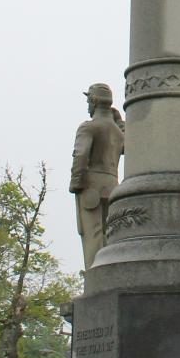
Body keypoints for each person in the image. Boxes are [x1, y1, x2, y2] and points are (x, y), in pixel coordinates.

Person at [69, 83, 124, 269]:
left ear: (94, 101)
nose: (87, 106)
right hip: (113, 188)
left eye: (88, 100)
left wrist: (76, 182)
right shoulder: (118, 131)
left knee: (92, 235)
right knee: (111, 235)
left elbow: (81, 154)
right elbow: (128, 145)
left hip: (91, 187)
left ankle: (94, 279)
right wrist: (120, 121)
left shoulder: (88, 128)